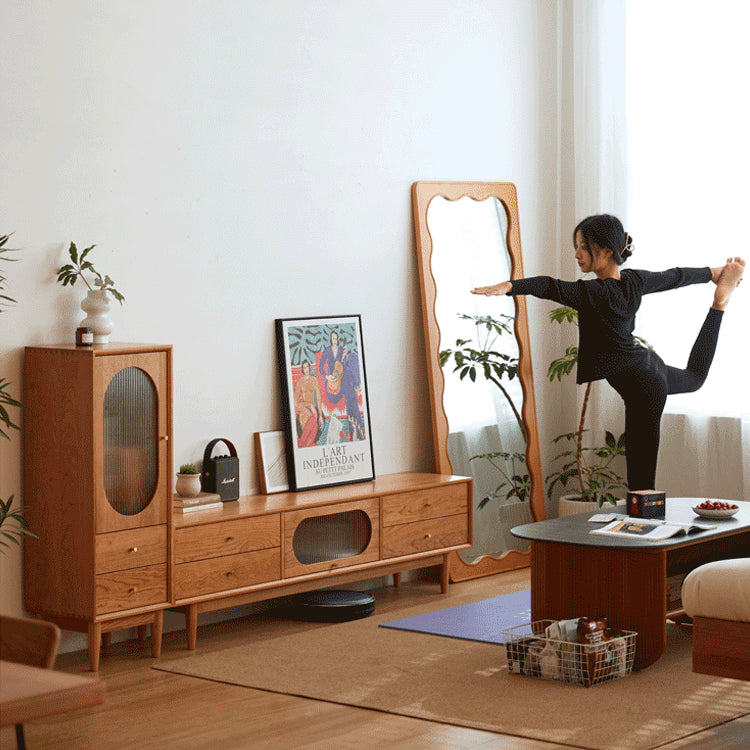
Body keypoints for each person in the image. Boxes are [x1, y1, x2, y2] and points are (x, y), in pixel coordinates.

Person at [472, 214, 744, 491]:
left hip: (642, 385)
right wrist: (712, 272)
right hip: (648, 366)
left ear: (606, 251)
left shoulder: (592, 293)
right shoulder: (635, 281)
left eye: (583, 246)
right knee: (695, 378)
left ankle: (643, 528)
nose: (576, 254)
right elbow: (674, 277)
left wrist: (511, 286)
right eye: (576, 246)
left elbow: (548, 285)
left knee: (641, 480)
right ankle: (719, 306)